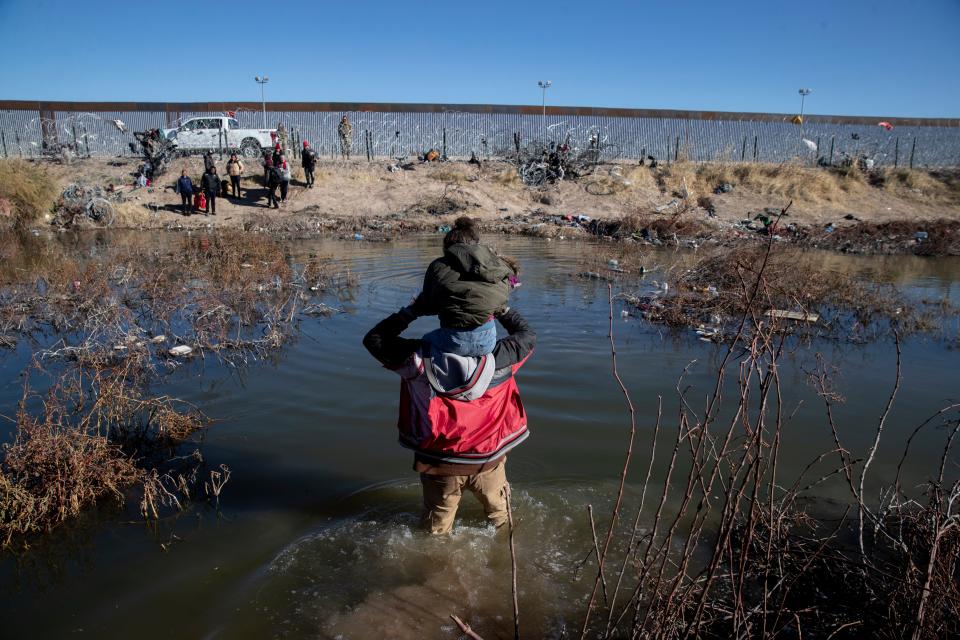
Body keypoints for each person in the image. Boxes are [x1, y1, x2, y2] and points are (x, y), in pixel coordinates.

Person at [363, 296, 535, 534]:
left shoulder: (417, 360)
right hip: (489, 463)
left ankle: (436, 566)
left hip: (440, 465)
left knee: (436, 530)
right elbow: (527, 335)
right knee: (502, 517)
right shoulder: (503, 358)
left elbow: (375, 339)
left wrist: (413, 311)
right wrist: (502, 308)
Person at [420, 216, 520, 357]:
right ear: (476, 244)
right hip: (487, 342)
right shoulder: (495, 263)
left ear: (447, 246)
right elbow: (508, 287)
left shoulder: (438, 266)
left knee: (425, 341)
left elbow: (429, 304)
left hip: (452, 341)